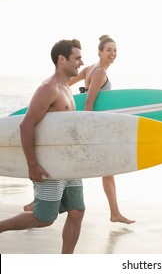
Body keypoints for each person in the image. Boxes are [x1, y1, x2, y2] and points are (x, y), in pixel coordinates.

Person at [23, 35, 135, 224]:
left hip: (88, 127)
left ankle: (114, 212)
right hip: (92, 127)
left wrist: (58, 97)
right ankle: (114, 212)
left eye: (115, 50)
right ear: (99, 51)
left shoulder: (89, 69)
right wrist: (86, 131)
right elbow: (89, 103)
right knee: (105, 168)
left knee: (103, 175)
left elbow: (66, 84)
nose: (112, 54)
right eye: (108, 50)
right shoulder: (99, 72)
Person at [0, 39, 86, 254]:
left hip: (68, 165)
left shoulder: (66, 88)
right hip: (50, 167)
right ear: (62, 59)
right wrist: (32, 165)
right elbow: (26, 125)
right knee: (44, 219)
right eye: (77, 58)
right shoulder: (49, 89)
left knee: (77, 211)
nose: (81, 62)